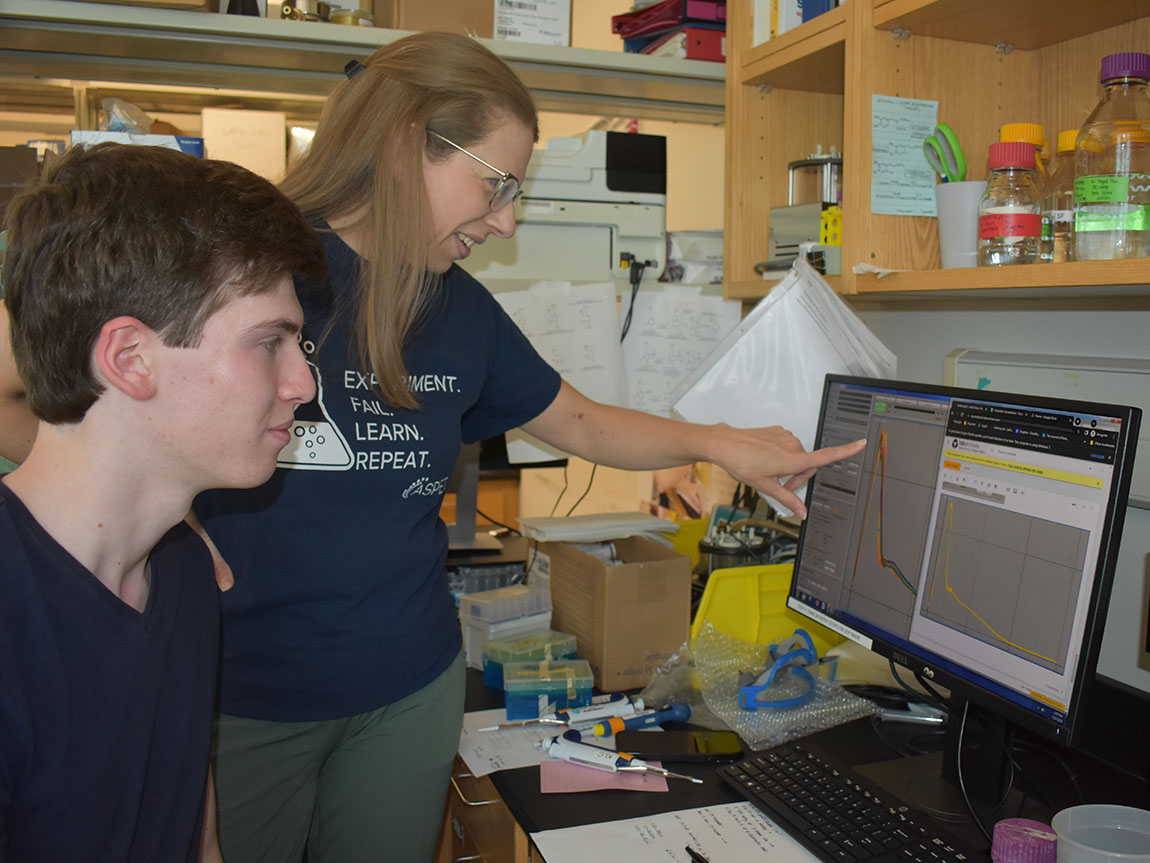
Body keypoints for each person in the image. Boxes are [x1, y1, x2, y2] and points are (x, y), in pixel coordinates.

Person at [0, 34, 864, 863]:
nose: (506, 220)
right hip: (246, 689)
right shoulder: (256, 264)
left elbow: (583, 423)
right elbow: (55, 381)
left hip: (405, 682)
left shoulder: (461, 309)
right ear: (411, 142)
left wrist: (723, 444)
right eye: (494, 184)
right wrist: (155, 508)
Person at [0, 142, 325, 861]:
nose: (303, 383)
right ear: (130, 359)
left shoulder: (180, 572)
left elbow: (194, 832)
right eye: (269, 342)